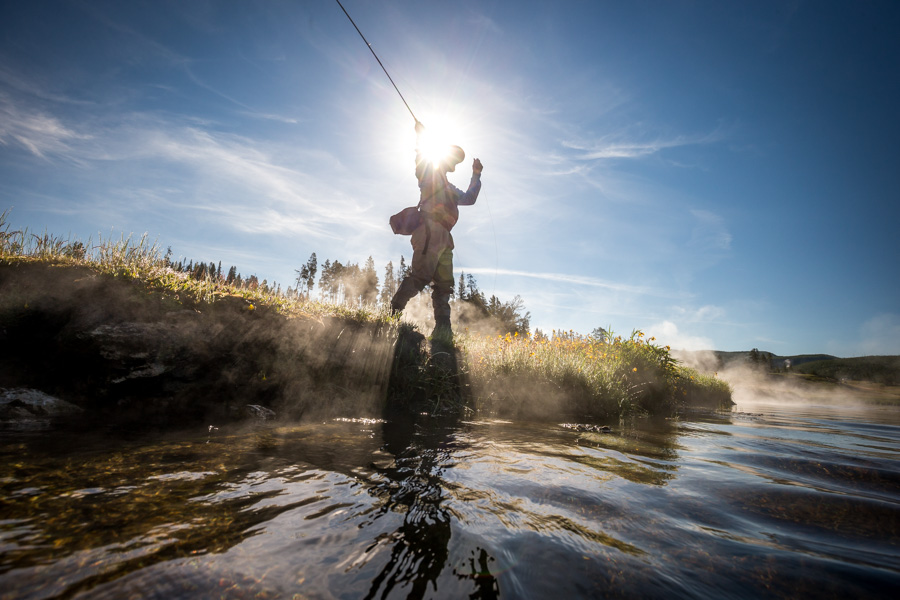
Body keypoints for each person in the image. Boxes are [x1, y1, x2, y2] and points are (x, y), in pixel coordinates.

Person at [391, 121, 483, 337]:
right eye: (452, 158)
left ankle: (443, 331)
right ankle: (393, 315)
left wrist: (476, 175)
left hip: (445, 238)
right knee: (421, 277)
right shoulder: (427, 175)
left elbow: (469, 198)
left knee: (444, 285)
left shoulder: (449, 187)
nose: (454, 163)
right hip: (429, 230)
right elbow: (421, 157)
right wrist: (421, 137)